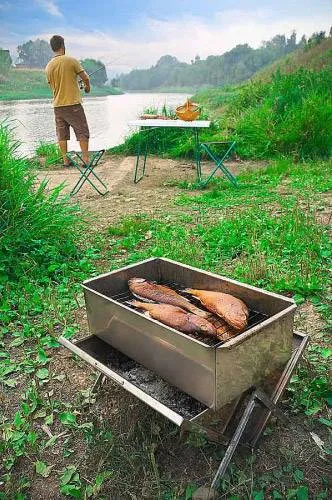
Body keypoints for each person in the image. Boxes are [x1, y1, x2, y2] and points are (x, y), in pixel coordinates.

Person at [45, 35, 90, 167]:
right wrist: (86, 87)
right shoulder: (71, 60)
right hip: (73, 104)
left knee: (62, 133)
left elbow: (52, 85)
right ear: (63, 46)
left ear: (52, 48)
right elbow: (85, 78)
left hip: (57, 105)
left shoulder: (48, 66)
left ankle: (65, 160)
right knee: (82, 131)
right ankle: (86, 160)